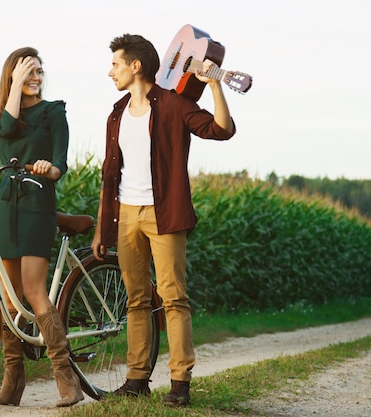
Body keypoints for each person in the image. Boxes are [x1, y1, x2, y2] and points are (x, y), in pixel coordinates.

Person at [90, 33, 236, 407]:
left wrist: (215, 85)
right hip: (126, 216)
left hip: (164, 215)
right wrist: (103, 226)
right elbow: (110, 176)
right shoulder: (116, 114)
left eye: (115, 64)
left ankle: (179, 382)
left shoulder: (173, 105)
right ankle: (137, 378)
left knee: (173, 298)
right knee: (136, 300)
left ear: (135, 66)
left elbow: (222, 129)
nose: (111, 72)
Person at [0, 46, 84, 408]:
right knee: (10, 300)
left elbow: (61, 163)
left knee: (33, 290)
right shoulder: (2, 114)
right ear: (13, 76)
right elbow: (8, 129)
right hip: (6, 208)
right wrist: (14, 86)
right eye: (29, 71)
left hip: (37, 204)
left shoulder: (53, 111)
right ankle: (13, 383)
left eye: (39, 70)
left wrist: (49, 168)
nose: (37, 77)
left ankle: (66, 380)